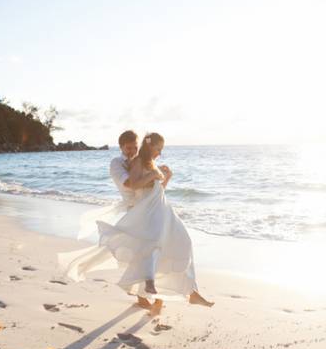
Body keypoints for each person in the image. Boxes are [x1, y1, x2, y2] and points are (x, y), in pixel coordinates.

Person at [58, 132, 214, 316]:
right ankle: (149, 286)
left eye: (135, 147)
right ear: (123, 147)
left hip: (162, 211)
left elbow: (156, 191)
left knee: (181, 243)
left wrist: (165, 177)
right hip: (142, 211)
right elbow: (131, 184)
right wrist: (154, 174)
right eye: (158, 149)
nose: (132, 151)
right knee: (151, 248)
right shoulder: (126, 163)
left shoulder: (147, 163)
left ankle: (189, 291)